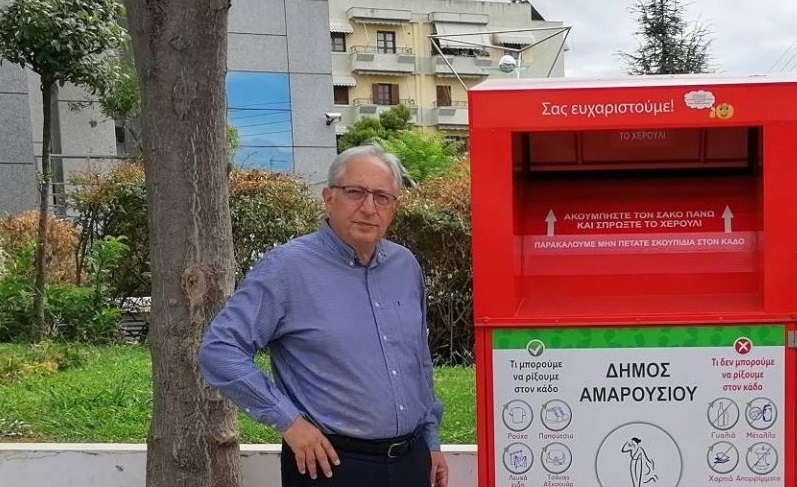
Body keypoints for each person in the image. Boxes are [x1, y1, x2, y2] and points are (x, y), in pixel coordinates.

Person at [199, 145, 448, 487]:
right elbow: (220, 350)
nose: (368, 207)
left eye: (381, 197)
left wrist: (430, 440)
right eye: (355, 193)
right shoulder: (287, 269)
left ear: (395, 207)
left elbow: (417, 360)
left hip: (410, 462)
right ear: (329, 198)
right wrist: (289, 422)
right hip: (329, 466)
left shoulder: (404, 266)